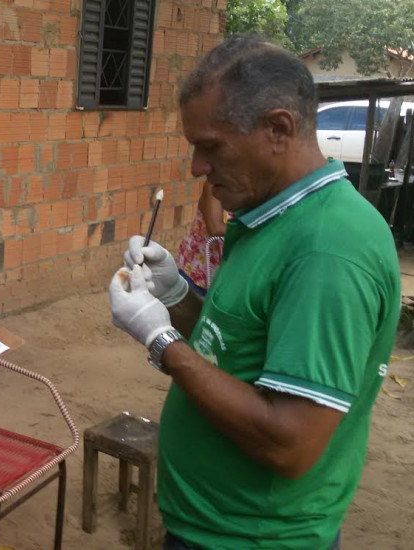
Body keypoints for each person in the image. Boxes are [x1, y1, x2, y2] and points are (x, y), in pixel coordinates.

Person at [109, 34, 400, 550]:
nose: (197, 167)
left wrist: (160, 341)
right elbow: (232, 346)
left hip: (252, 538)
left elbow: (290, 442)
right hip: (213, 526)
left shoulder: (328, 251)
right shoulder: (271, 217)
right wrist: (175, 293)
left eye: (210, 147)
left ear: (278, 129)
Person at [175, 181, 229, 294]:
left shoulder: (251, 190)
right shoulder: (214, 184)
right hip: (199, 270)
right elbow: (215, 227)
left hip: (225, 274)